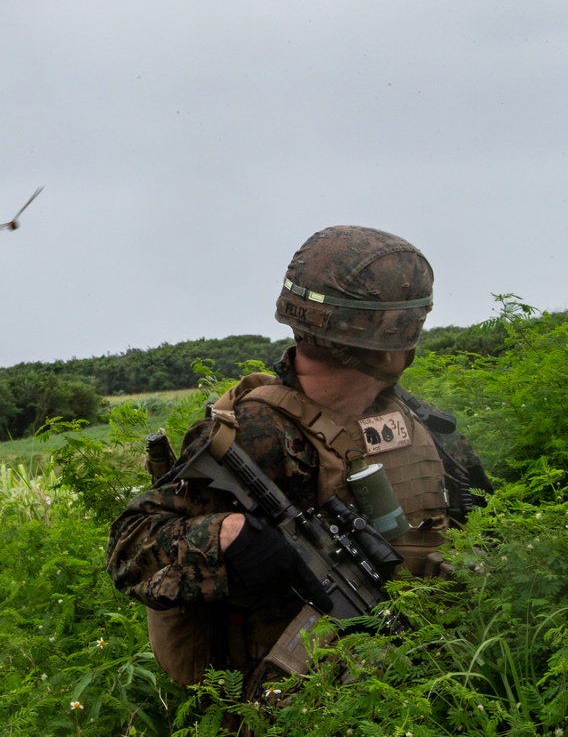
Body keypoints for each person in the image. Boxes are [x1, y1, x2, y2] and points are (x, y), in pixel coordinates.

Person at [105, 225, 490, 698]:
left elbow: (484, 527)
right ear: (393, 344)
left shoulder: (413, 419)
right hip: (299, 704)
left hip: (436, 679)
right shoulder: (258, 433)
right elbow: (128, 546)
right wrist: (223, 537)